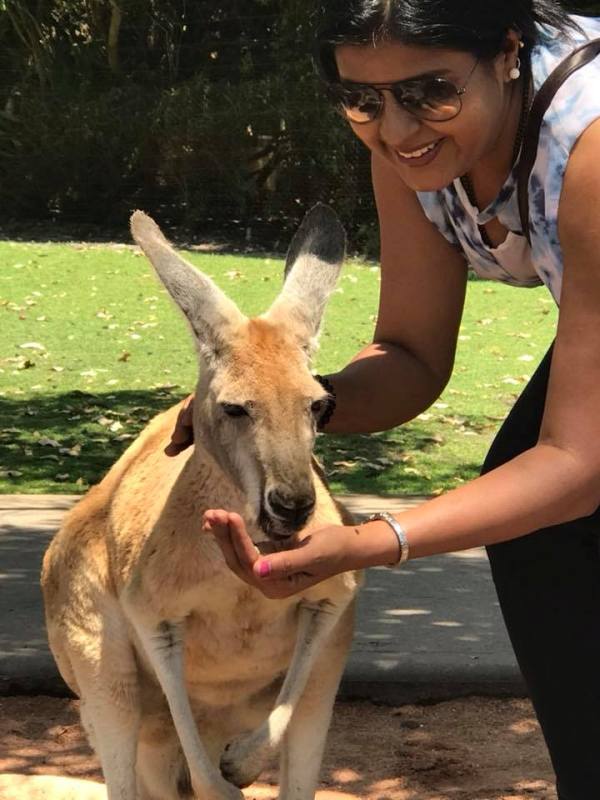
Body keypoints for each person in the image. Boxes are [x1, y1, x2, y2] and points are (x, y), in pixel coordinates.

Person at [169, 3, 600, 797]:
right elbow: (411, 357)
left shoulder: (591, 147)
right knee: (539, 544)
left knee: (545, 507)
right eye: (361, 99)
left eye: (430, 90)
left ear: (508, 52)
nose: (396, 127)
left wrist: (369, 543)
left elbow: (578, 464)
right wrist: (284, 406)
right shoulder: (411, 151)